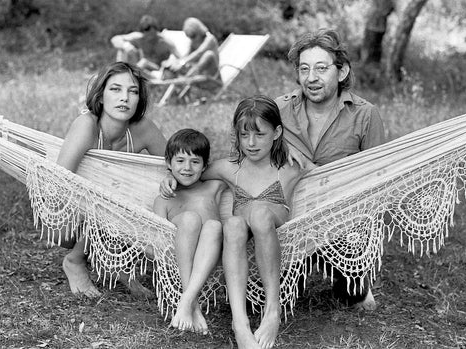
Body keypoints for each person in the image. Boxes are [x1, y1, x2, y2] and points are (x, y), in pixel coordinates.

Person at [160, 95, 305, 349]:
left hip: (272, 223)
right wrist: (167, 178)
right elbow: (190, 171)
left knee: (259, 214)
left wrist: (291, 147)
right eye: (244, 135)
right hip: (243, 229)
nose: (251, 143)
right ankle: (240, 323)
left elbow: (329, 177)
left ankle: (272, 309)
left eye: (260, 134)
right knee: (234, 224)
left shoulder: (290, 166)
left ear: (277, 132)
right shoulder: (229, 167)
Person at [276, 28, 385, 310]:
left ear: (342, 71)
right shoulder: (278, 110)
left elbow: (378, 180)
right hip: (289, 219)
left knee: (357, 302)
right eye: (304, 69)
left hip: (343, 219)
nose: (311, 78)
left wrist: (313, 169)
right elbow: (245, 154)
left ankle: (350, 276)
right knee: (278, 297)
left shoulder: (364, 115)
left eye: (321, 68)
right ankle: (293, 268)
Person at [55, 61, 168, 299]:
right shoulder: (86, 126)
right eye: (115, 89)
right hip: (64, 217)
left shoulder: (142, 128)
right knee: (118, 191)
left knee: (147, 191)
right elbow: (59, 181)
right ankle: (75, 260)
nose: (124, 98)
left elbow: (174, 166)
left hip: (109, 214)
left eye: (133, 91)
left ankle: (114, 264)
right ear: (101, 95)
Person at [150, 129, 227, 335]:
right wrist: (168, 176)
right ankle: (191, 302)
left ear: (205, 166)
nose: (187, 168)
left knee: (214, 226)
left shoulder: (215, 186)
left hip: (211, 255)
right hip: (179, 257)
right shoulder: (164, 200)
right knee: (190, 219)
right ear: (168, 163)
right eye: (180, 161)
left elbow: (238, 166)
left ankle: (185, 302)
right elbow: (159, 240)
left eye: (195, 162)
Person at [110, 15, 181, 76]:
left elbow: (181, 58)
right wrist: (125, 45)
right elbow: (115, 39)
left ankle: (128, 75)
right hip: (141, 69)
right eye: (148, 36)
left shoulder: (164, 42)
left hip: (158, 71)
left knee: (144, 62)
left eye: (153, 34)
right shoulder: (139, 38)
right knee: (123, 49)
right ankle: (123, 73)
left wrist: (174, 62)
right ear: (143, 33)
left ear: (156, 30)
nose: (151, 38)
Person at [167, 17, 222, 89]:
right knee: (174, 60)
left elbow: (199, 52)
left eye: (193, 36)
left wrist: (182, 62)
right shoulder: (193, 42)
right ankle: (173, 79)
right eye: (189, 37)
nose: (192, 39)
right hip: (198, 72)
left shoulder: (209, 39)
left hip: (212, 74)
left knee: (208, 55)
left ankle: (186, 78)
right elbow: (187, 56)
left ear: (198, 31)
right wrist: (176, 62)